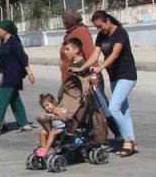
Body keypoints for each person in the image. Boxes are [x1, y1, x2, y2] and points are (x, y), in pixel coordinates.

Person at [79, 10, 137, 156]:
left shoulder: (120, 33)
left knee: (114, 108)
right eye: (97, 27)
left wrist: (101, 67)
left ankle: (128, 140)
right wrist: (83, 67)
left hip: (127, 75)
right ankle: (132, 142)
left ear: (108, 21)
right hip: (114, 76)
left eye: (100, 26)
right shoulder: (101, 36)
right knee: (124, 111)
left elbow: (115, 53)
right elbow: (95, 53)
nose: (99, 30)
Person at [0, 20, 35, 136]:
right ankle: (24, 124)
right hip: (6, 74)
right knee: (14, 99)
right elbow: (2, 62)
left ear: (6, 30)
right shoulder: (4, 43)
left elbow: (23, 58)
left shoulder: (14, 42)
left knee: (1, 100)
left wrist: (30, 74)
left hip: (14, 74)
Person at [34, 93, 70, 158]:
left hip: (63, 129)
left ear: (53, 102)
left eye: (47, 105)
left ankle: (46, 149)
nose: (46, 108)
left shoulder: (59, 109)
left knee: (52, 132)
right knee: (42, 132)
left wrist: (59, 114)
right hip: (54, 129)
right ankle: (43, 148)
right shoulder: (48, 113)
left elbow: (66, 116)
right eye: (44, 107)